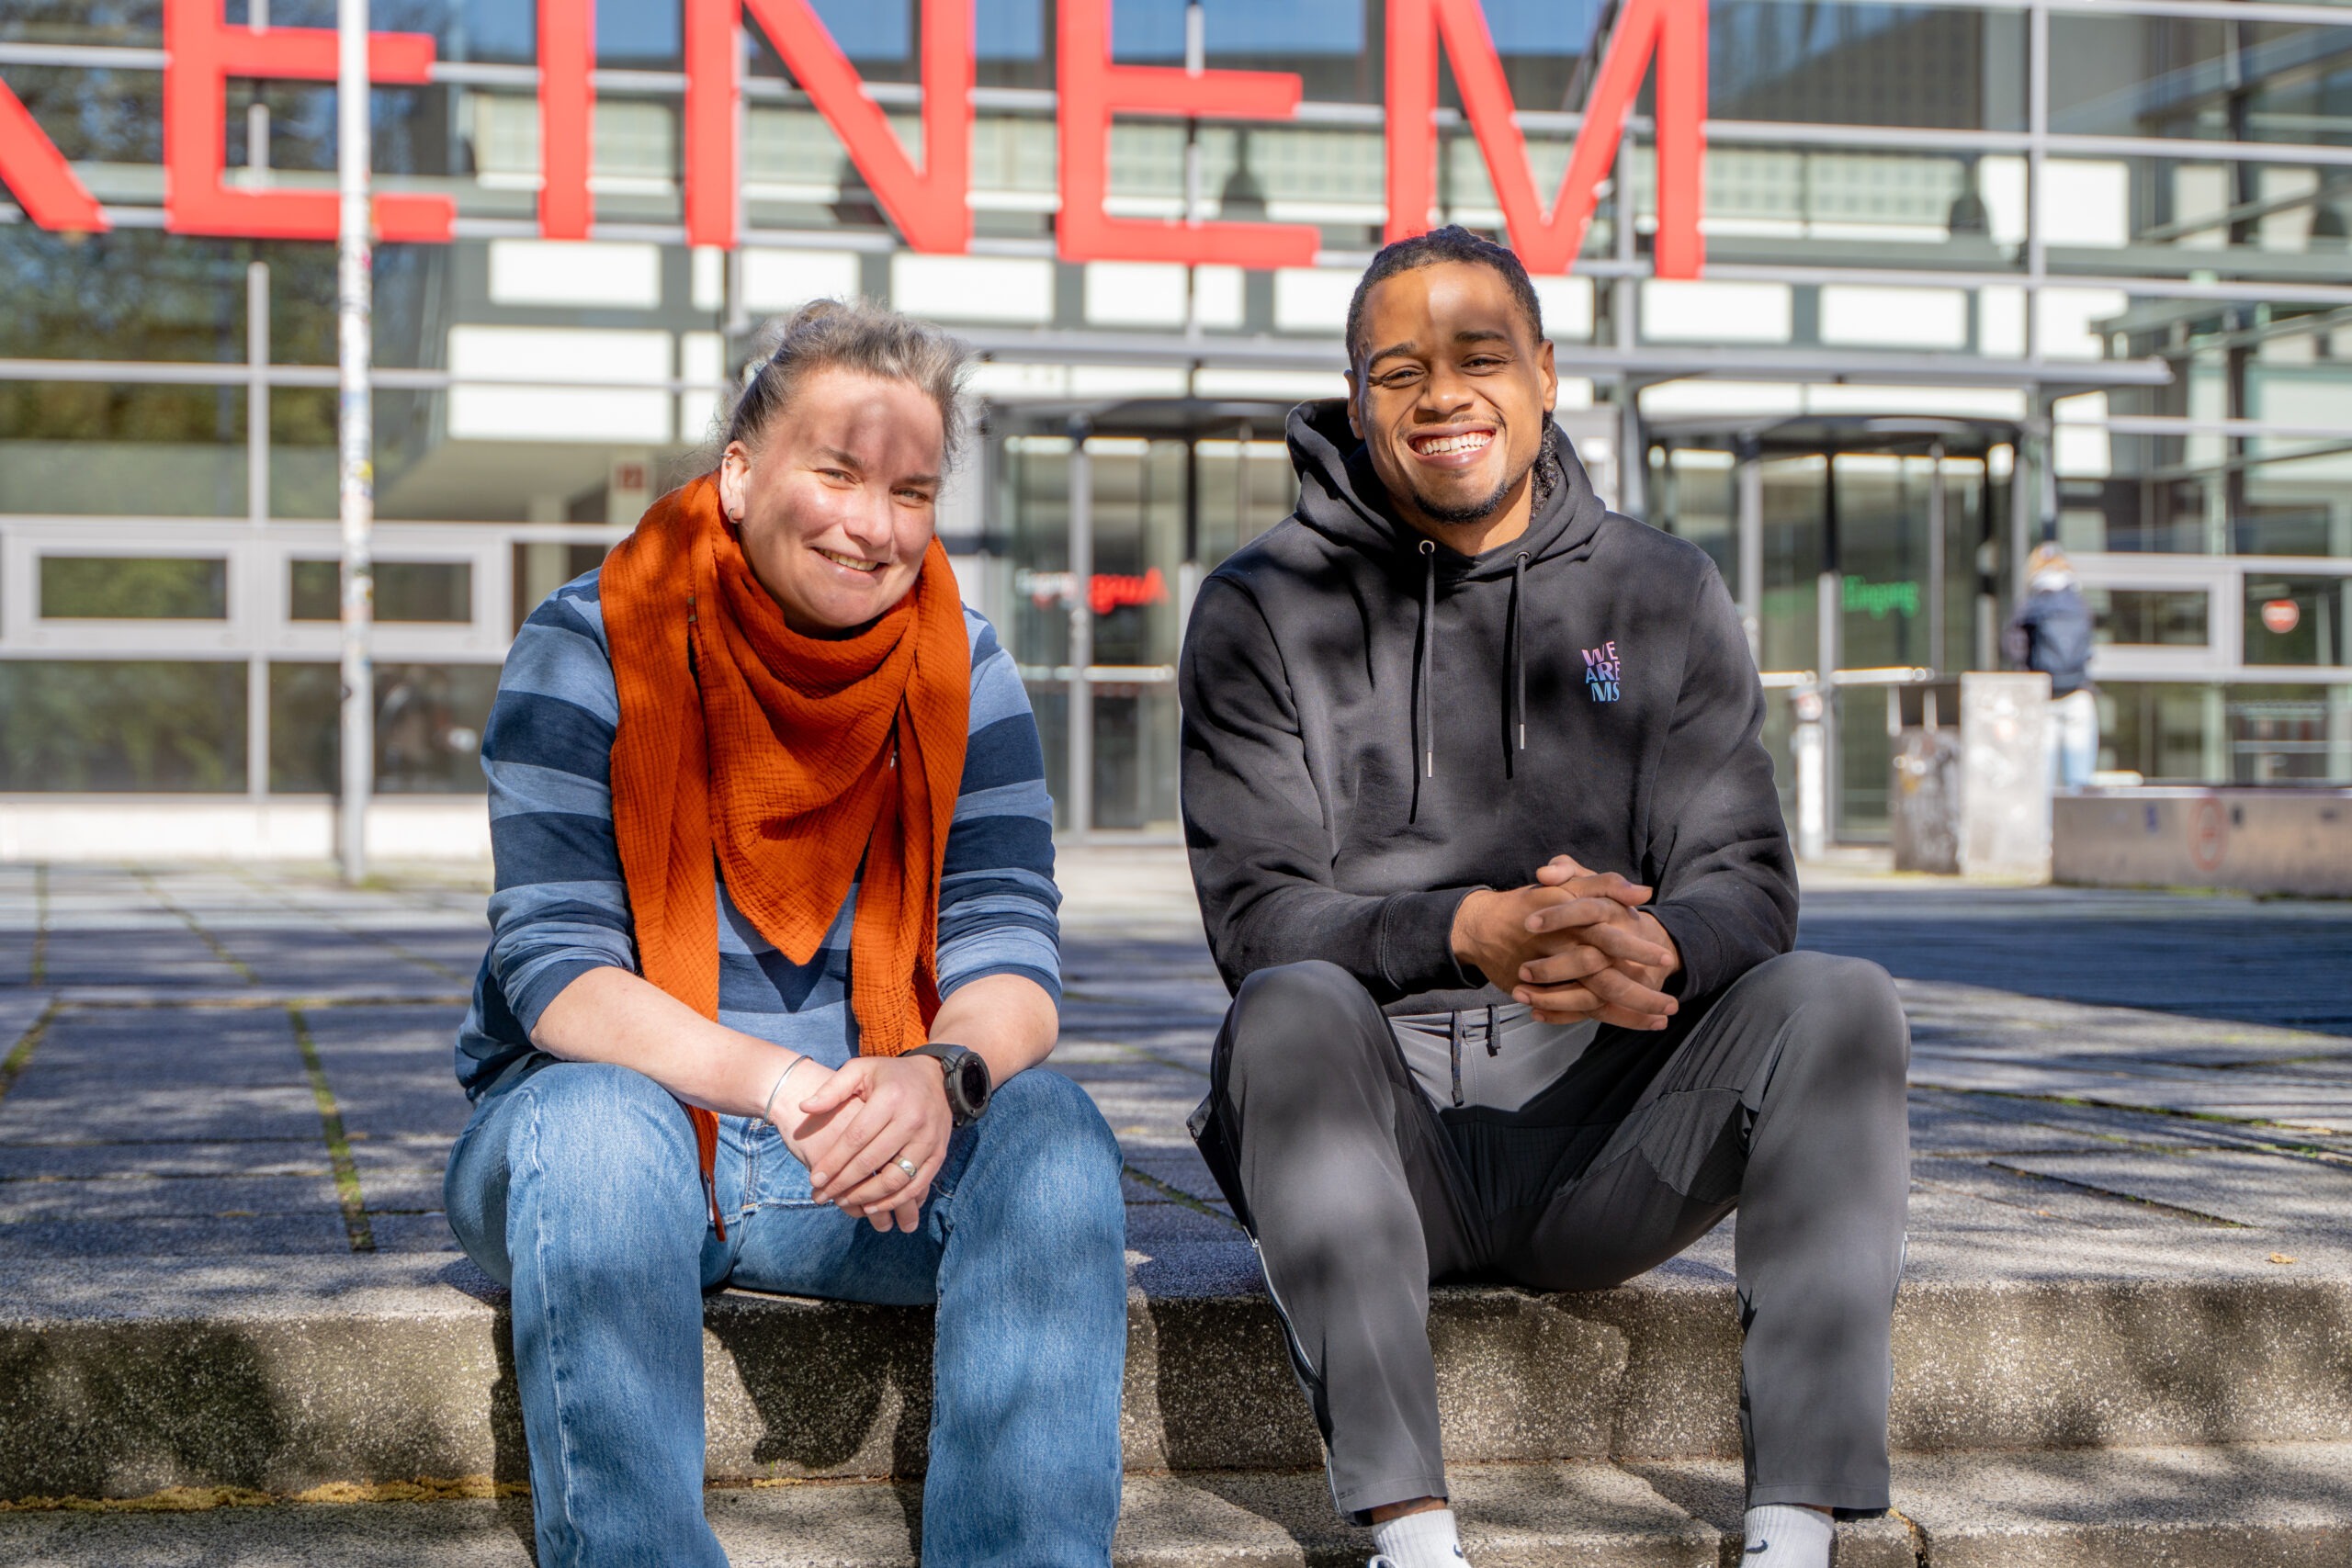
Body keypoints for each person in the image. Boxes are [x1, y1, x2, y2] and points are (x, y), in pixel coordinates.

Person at [1179, 228, 1910, 1568]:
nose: (1442, 396)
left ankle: (1795, 1535)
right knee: (1283, 1009)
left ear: (1546, 375)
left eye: (1479, 357)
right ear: (1356, 399)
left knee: (1840, 1002)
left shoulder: (1661, 589)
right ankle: (1415, 1542)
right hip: (1368, 1118)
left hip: (1608, 1121)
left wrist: (1652, 942)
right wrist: (1467, 929)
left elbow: (1746, 875)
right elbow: (1258, 916)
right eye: (1399, 370)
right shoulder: (1259, 605)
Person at [443, 299, 1127, 1568]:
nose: (874, 524)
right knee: (596, 1122)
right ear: (742, 472)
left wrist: (942, 1071)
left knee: (1051, 1131)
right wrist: (779, 1082)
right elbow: (559, 974)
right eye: (839, 473)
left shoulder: (964, 668)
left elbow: (1010, 952)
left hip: (860, 1158)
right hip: (615, 1149)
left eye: (911, 491)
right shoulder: (590, 643)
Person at [2007, 541, 2098, 789]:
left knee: (2041, 783)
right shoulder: (2079, 603)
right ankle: (2078, 816)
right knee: (2079, 783)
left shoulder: (2031, 605)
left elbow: (2011, 646)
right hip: (2078, 694)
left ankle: (2045, 817)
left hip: (2042, 695)